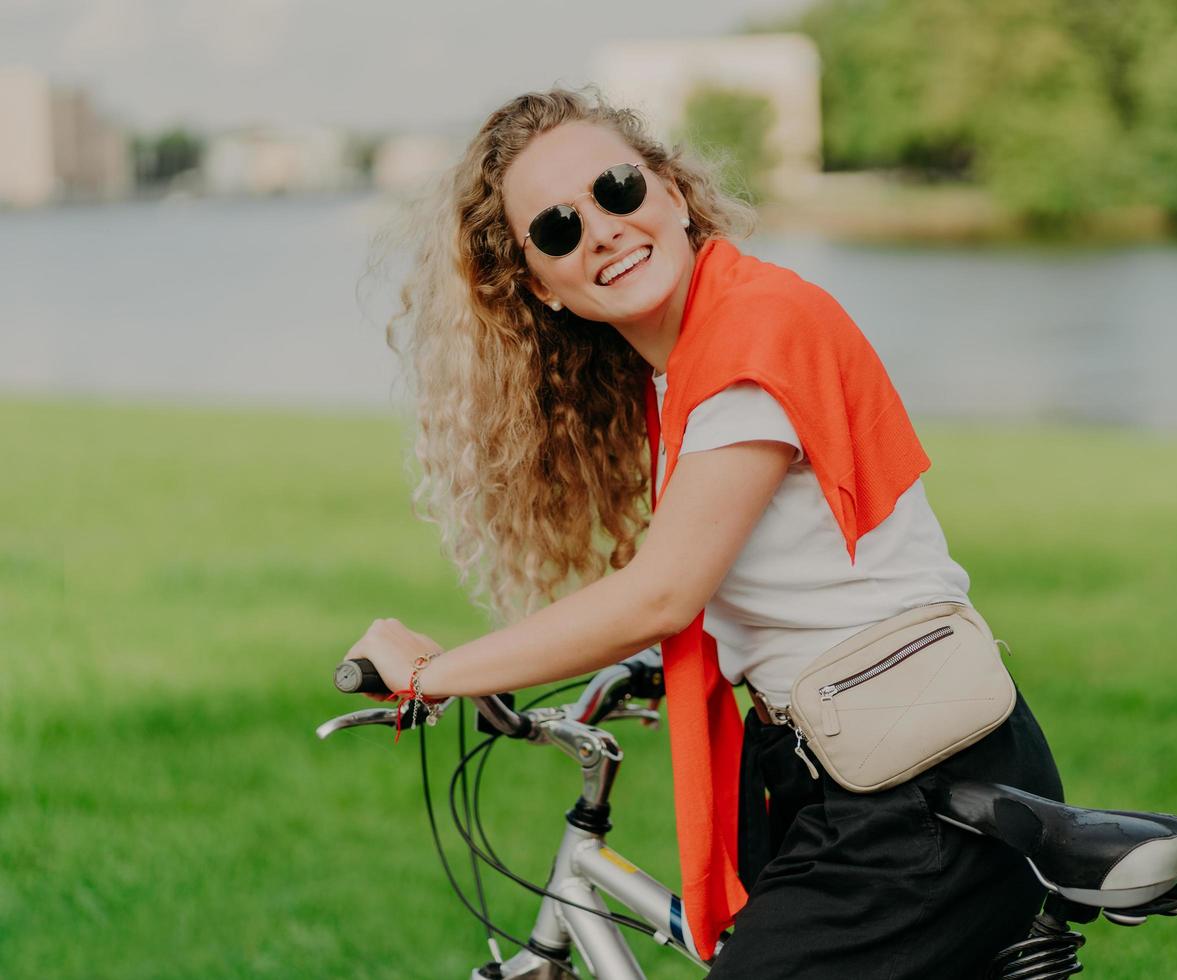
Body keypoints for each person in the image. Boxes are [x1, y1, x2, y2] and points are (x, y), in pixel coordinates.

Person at [342, 85, 1064, 978]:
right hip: (846, 769)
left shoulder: (750, 340)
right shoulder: (684, 370)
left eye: (616, 188)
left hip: (918, 789)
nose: (601, 229)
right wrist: (670, 664)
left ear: (673, 193)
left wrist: (432, 675)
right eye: (558, 229)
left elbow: (663, 590)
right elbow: (773, 575)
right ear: (541, 287)